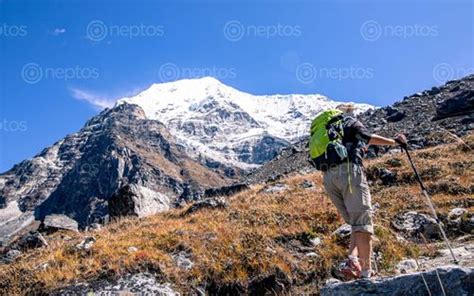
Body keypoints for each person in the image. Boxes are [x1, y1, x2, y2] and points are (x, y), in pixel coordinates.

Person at [322, 103, 407, 279]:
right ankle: (367, 273)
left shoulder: (327, 130)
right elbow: (367, 136)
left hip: (328, 177)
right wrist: (394, 142)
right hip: (348, 173)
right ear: (350, 113)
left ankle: (353, 261)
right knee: (362, 222)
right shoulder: (350, 122)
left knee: (355, 223)